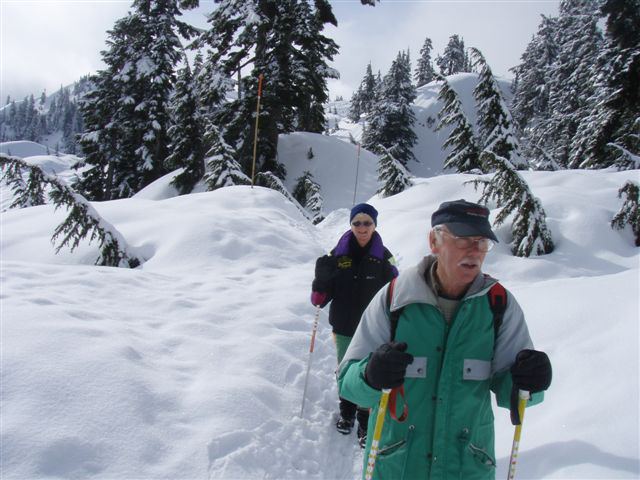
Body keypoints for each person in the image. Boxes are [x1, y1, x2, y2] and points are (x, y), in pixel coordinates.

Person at [338, 199, 552, 479]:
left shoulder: (499, 305)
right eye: (463, 240)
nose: (475, 251)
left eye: (482, 242)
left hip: (466, 468)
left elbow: (514, 394)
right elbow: (347, 383)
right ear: (434, 241)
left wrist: (531, 382)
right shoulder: (395, 299)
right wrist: (370, 374)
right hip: (397, 467)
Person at [311, 202, 398, 448]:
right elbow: (319, 301)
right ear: (351, 224)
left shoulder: (384, 258)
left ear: (374, 225)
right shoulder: (336, 257)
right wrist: (320, 282)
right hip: (344, 325)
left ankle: (363, 419)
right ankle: (346, 412)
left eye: (367, 222)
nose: (362, 228)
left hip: (373, 329)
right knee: (345, 370)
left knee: (368, 372)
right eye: (357, 222)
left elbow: (396, 293)